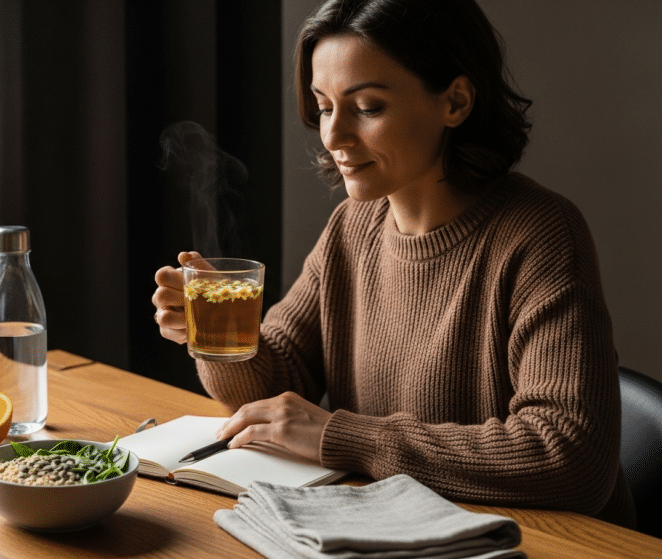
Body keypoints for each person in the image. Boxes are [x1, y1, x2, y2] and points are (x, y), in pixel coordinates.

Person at [152, 0, 635, 528]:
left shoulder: (540, 234)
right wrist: (219, 337)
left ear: (455, 102)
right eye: (325, 106)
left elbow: (569, 457)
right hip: (394, 527)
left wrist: (342, 437)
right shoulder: (353, 227)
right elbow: (277, 385)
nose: (333, 137)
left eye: (367, 107)